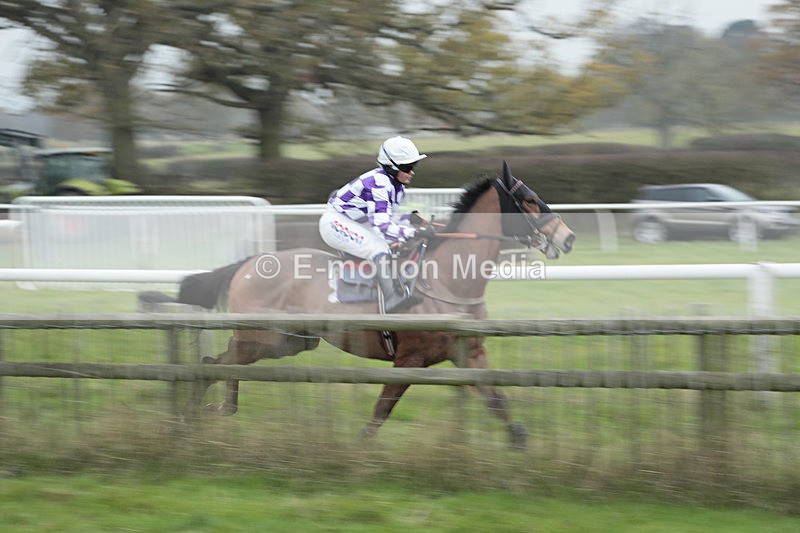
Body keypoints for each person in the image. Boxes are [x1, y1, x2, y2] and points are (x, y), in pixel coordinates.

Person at [319, 136, 432, 312]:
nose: (412, 172)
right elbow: (383, 228)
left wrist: (409, 219)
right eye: (407, 167)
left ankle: (395, 289)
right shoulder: (380, 183)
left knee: (391, 244)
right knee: (379, 247)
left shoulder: (397, 186)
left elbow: (385, 218)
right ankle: (391, 298)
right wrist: (414, 232)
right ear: (392, 167)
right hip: (334, 223)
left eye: (413, 167)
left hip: (355, 222)